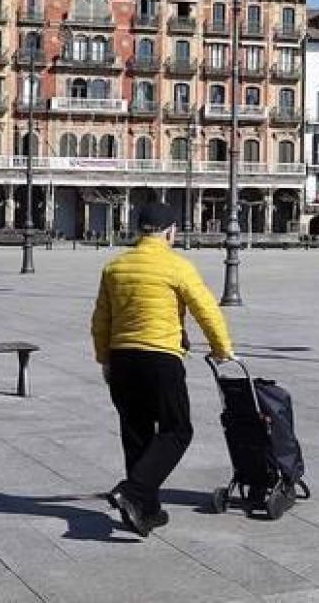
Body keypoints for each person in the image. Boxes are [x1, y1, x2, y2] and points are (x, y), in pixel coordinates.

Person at [91, 201, 234, 535]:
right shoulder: (177, 266)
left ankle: (145, 511)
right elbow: (207, 310)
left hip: (123, 359)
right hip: (161, 359)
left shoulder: (115, 267)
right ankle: (134, 492)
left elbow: (100, 320)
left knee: (136, 435)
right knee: (177, 430)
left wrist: (105, 359)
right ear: (171, 231)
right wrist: (221, 349)